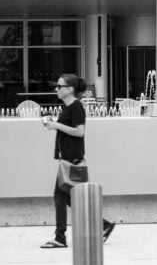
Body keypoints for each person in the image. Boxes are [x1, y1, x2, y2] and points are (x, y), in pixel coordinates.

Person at [41, 74, 116, 248]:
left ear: (69, 89)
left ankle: (60, 238)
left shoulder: (76, 107)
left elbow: (80, 131)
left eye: (59, 86)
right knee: (71, 199)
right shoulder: (68, 108)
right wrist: (54, 125)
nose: (56, 89)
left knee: (60, 198)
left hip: (72, 160)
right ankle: (104, 225)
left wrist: (57, 126)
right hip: (67, 159)